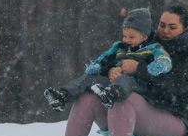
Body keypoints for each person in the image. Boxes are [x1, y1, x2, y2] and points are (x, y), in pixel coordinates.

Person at [44, 5, 188, 136]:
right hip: (136, 113)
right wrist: (111, 69)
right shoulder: (147, 41)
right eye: (162, 25)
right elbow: (118, 58)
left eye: (172, 27)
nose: (165, 31)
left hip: (174, 121)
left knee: (122, 97)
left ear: (185, 28)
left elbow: (175, 86)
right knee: (88, 97)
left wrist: (139, 69)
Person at [44, 7, 172, 111]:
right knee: (89, 78)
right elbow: (105, 57)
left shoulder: (153, 47)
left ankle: (111, 95)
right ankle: (63, 95)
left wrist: (158, 66)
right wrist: (99, 66)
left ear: (144, 36)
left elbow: (164, 59)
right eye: (125, 36)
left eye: (131, 37)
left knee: (124, 80)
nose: (126, 40)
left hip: (139, 83)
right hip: (115, 79)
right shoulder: (119, 47)